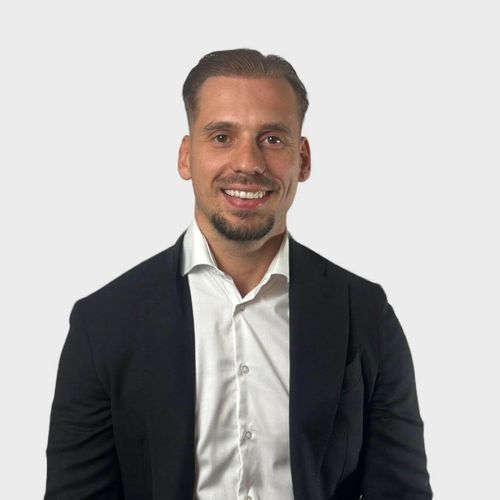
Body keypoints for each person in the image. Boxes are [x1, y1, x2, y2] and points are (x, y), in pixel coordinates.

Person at [45, 48, 432, 499]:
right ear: (186, 157)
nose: (248, 162)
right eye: (222, 137)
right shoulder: (103, 323)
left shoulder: (365, 313)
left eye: (272, 139)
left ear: (303, 158)